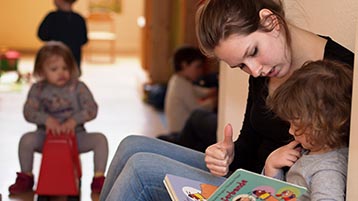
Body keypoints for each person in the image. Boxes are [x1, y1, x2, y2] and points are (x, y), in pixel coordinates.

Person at [99, 0, 354, 200]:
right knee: (131, 145)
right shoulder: (265, 69)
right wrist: (227, 155)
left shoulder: (342, 73)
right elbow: (249, 145)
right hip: (251, 176)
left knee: (140, 170)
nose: (255, 71)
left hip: (268, 190)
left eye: (252, 52)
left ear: (270, 21)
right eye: (241, 65)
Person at [8, 41, 108, 195]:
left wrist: (74, 120)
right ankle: (26, 177)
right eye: (54, 69)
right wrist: (46, 120)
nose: (61, 73)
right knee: (26, 140)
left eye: (65, 68)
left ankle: (98, 179)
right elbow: (28, 111)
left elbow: (92, 108)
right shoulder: (38, 89)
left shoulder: (78, 87)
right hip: (46, 137)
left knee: (100, 140)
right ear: (41, 71)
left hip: (76, 136)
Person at [264, 60, 352, 200]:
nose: (291, 132)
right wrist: (272, 167)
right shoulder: (312, 150)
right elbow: (282, 195)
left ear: (323, 125)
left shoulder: (327, 170)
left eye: (297, 126)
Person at [163, 45, 217, 134]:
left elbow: (194, 90)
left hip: (178, 130)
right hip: (181, 133)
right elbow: (197, 109)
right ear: (184, 65)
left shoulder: (177, 80)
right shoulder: (182, 85)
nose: (200, 71)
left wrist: (210, 91)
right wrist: (212, 102)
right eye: (198, 67)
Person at [38, 0, 88, 76]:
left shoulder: (51, 17)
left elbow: (41, 35)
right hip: (74, 62)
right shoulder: (79, 19)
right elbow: (84, 40)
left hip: (53, 63)